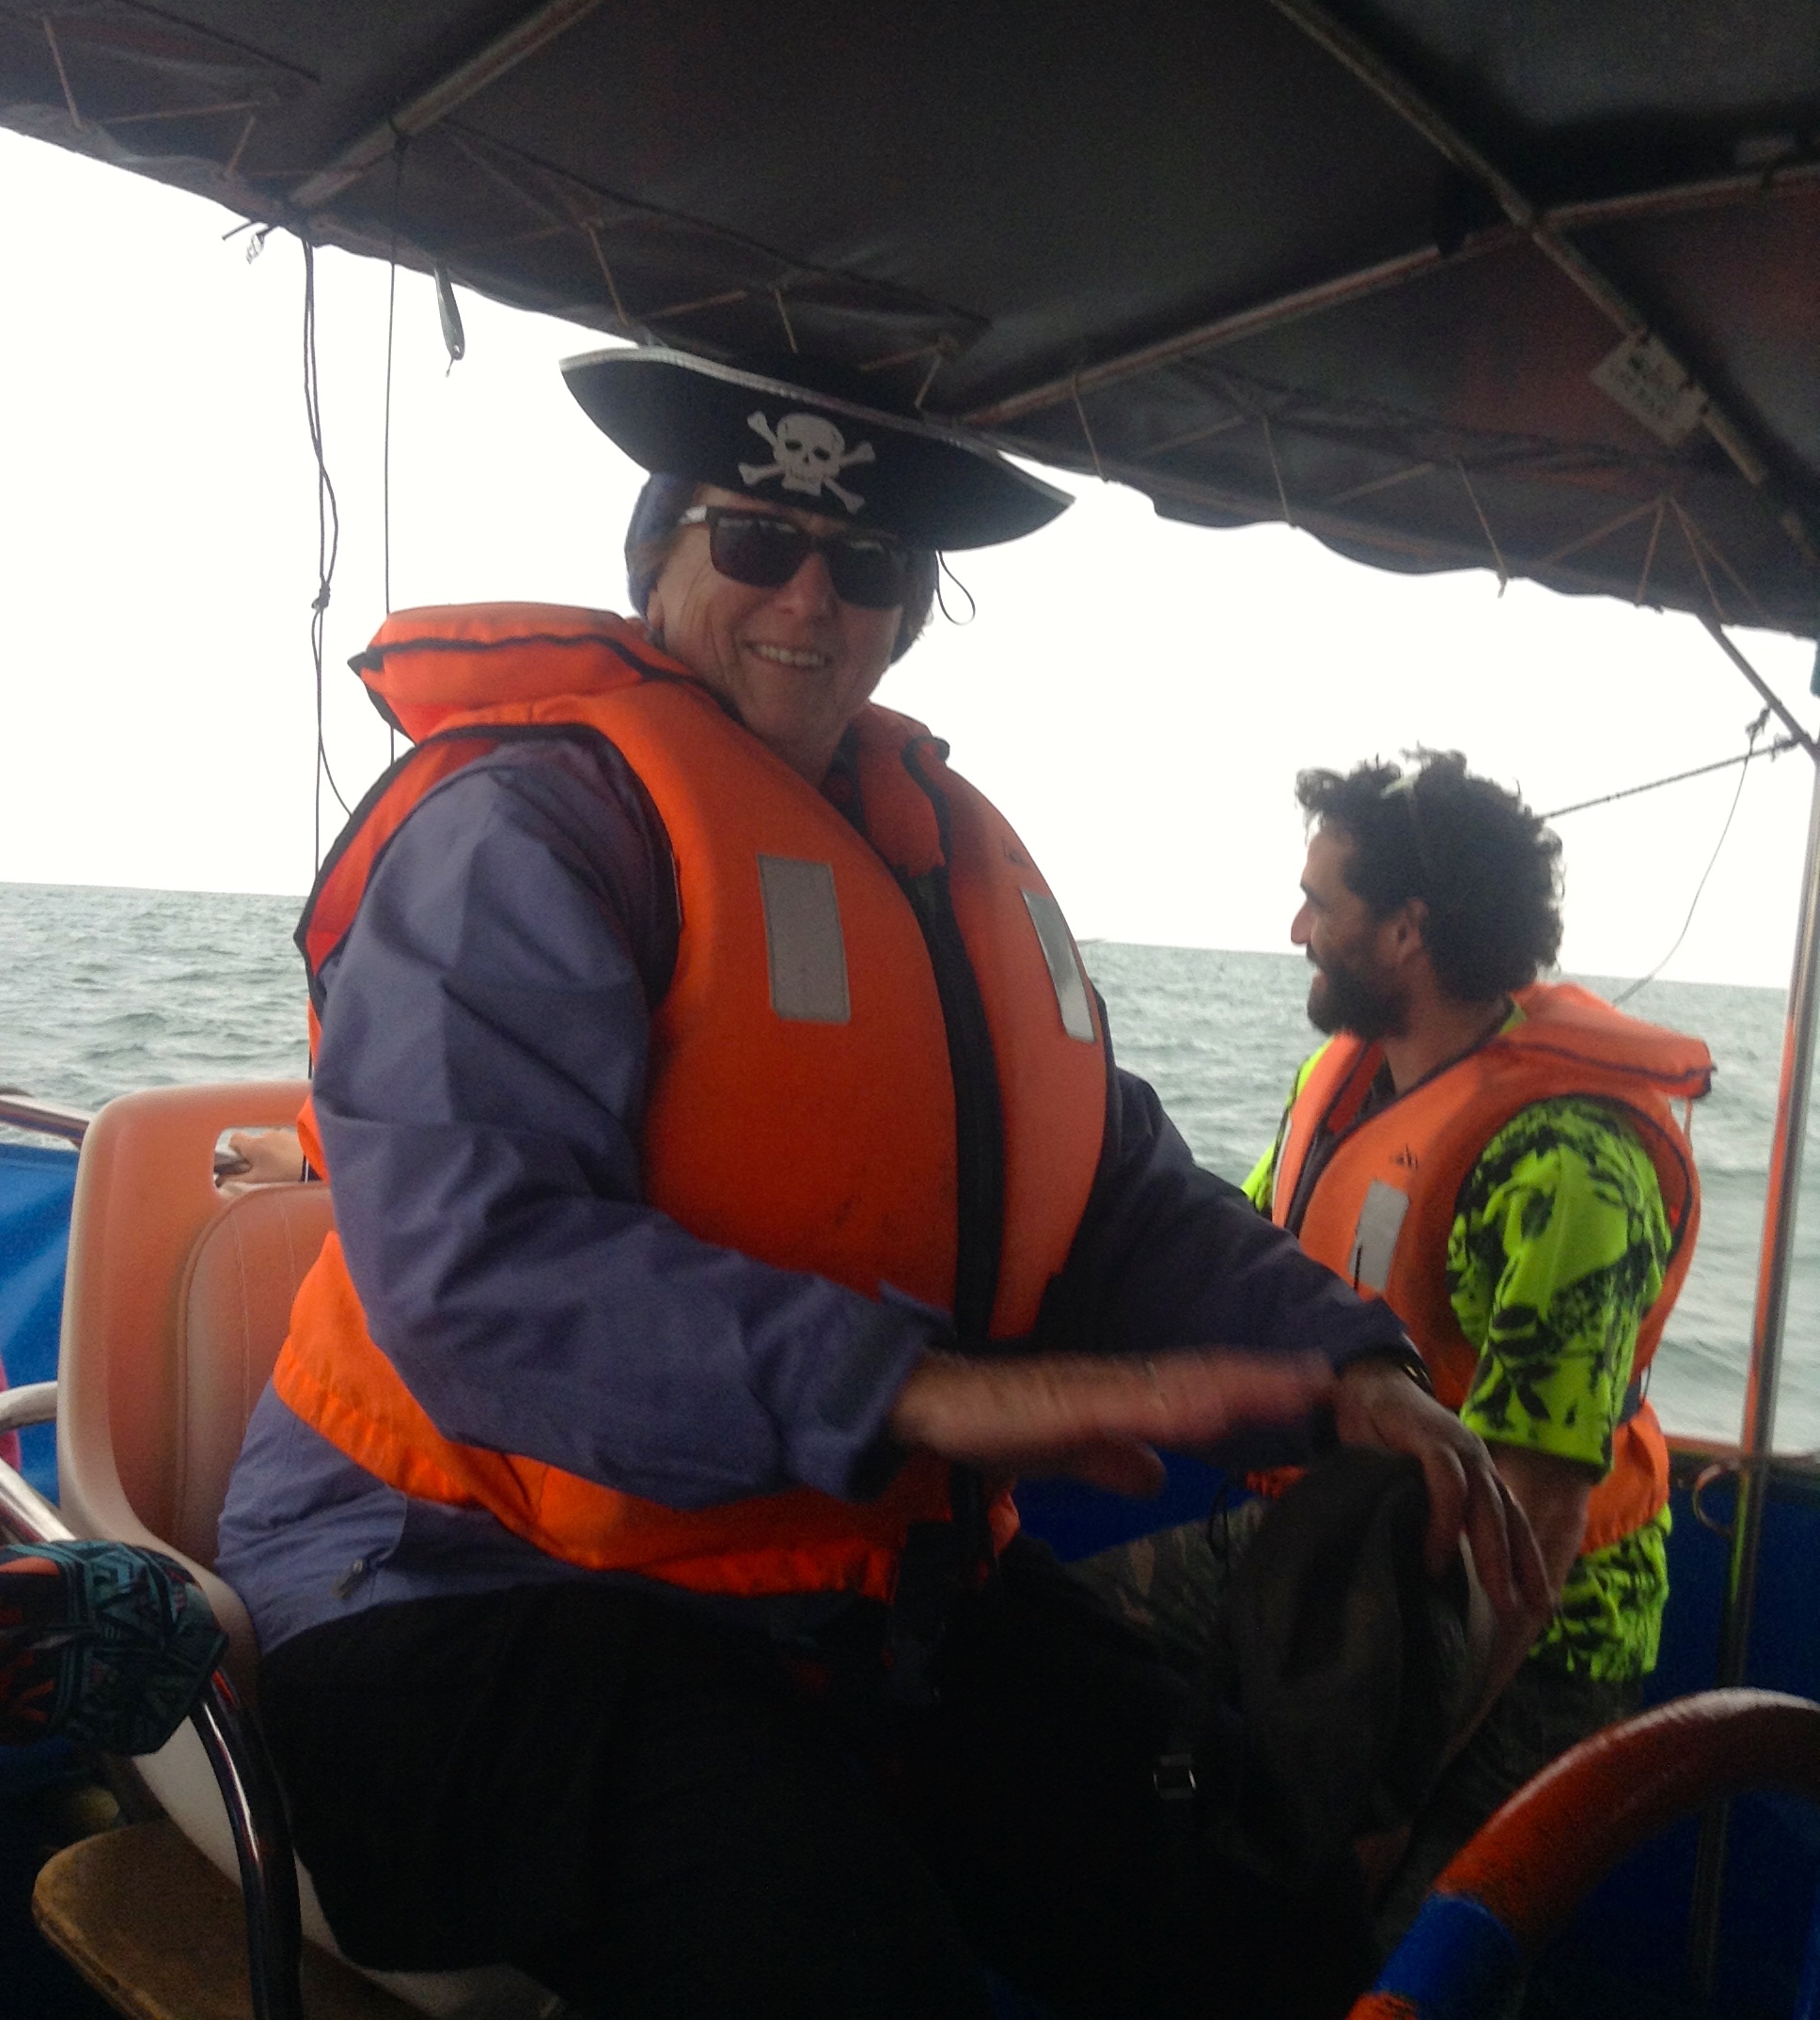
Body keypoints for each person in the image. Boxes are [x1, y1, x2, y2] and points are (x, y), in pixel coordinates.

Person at [217, 353, 1545, 2020]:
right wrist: (921, 1389)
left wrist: (1352, 1363)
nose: (810, 598)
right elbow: (478, 1272)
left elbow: (1110, 1184)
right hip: (456, 1582)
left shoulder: (924, 856)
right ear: (656, 559)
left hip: (834, 1582)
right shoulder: (524, 827)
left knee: (1250, 1902)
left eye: (866, 563)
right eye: (757, 539)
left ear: (911, 609)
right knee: (857, 1968)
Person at [1082, 753, 1709, 1949]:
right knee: (1047, 1646)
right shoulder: (1357, 1081)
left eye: (1319, 903)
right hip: (1343, 1544)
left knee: (1392, 1952)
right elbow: (1244, 1263)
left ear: (1407, 931)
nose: (1296, 930)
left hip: (1523, 1634)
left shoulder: (1567, 1166)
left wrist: (1390, 1786)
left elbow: (1533, 1518)